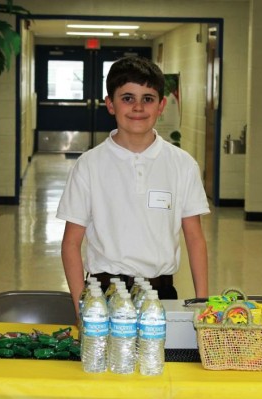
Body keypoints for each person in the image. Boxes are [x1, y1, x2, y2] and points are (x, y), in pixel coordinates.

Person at [56, 56, 209, 316]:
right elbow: (71, 244)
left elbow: (194, 238)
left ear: (161, 105)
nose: (138, 107)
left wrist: (203, 305)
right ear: (110, 104)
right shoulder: (89, 165)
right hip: (103, 296)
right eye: (127, 98)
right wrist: (82, 309)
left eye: (147, 99)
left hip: (161, 297)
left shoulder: (182, 165)